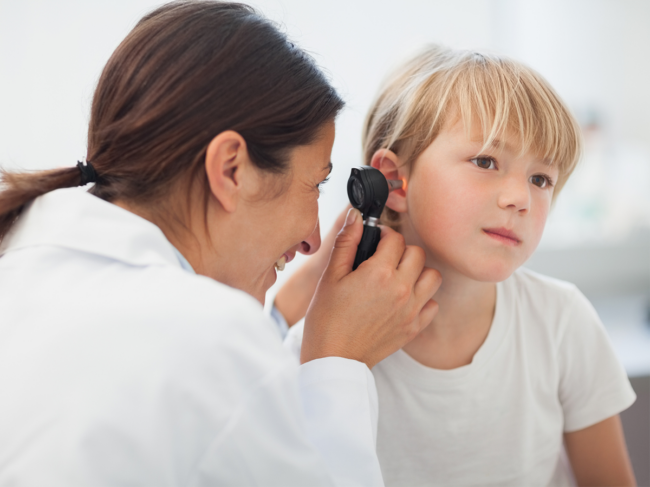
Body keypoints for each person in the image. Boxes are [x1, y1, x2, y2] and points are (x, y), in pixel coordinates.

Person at [0, 3, 442, 485]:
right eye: (315, 185)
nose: (315, 240)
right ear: (231, 169)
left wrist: (279, 322)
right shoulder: (210, 340)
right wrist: (338, 362)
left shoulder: (26, 265)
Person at [281, 46, 637, 486]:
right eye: (486, 161)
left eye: (540, 179)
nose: (520, 198)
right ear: (393, 182)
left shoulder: (562, 322)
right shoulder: (325, 355)